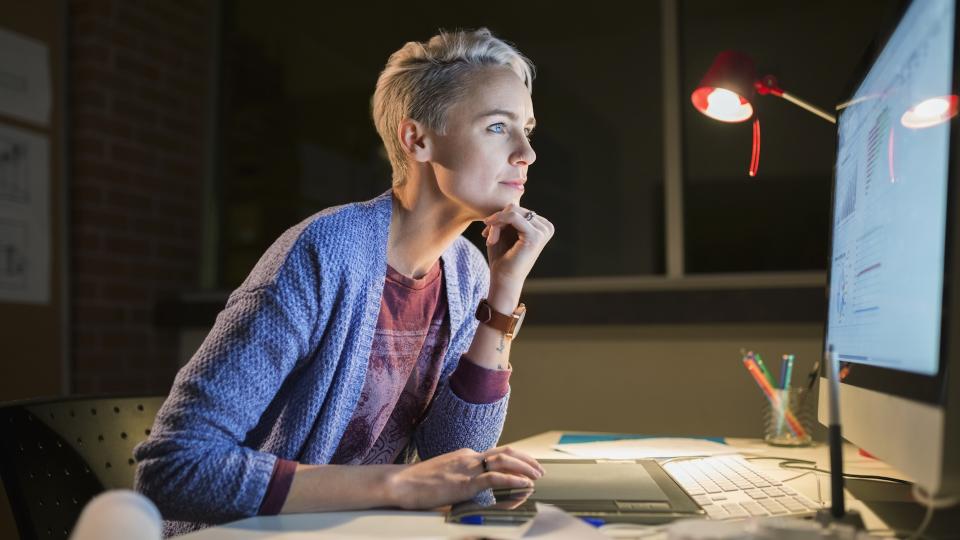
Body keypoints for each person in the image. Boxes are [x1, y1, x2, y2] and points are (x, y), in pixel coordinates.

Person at [134, 27, 553, 536]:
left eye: (527, 129)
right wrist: (397, 485)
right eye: (497, 127)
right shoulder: (323, 254)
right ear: (417, 139)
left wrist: (503, 292)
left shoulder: (465, 272)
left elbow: (450, 453)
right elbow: (173, 467)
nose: (526, 153)